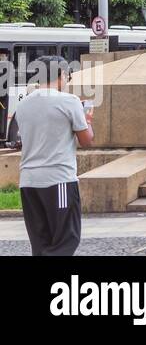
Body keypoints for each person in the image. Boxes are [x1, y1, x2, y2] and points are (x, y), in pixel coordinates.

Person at [12, 56, 93, 256]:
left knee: (40, 243)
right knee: (66, 239)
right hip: (59, 180)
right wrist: (88, 120)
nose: (67, 80)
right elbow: (86, 140)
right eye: (67, 76)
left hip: (28, 182)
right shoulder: (69, 101)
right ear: (61, 75)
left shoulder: (23, 104)